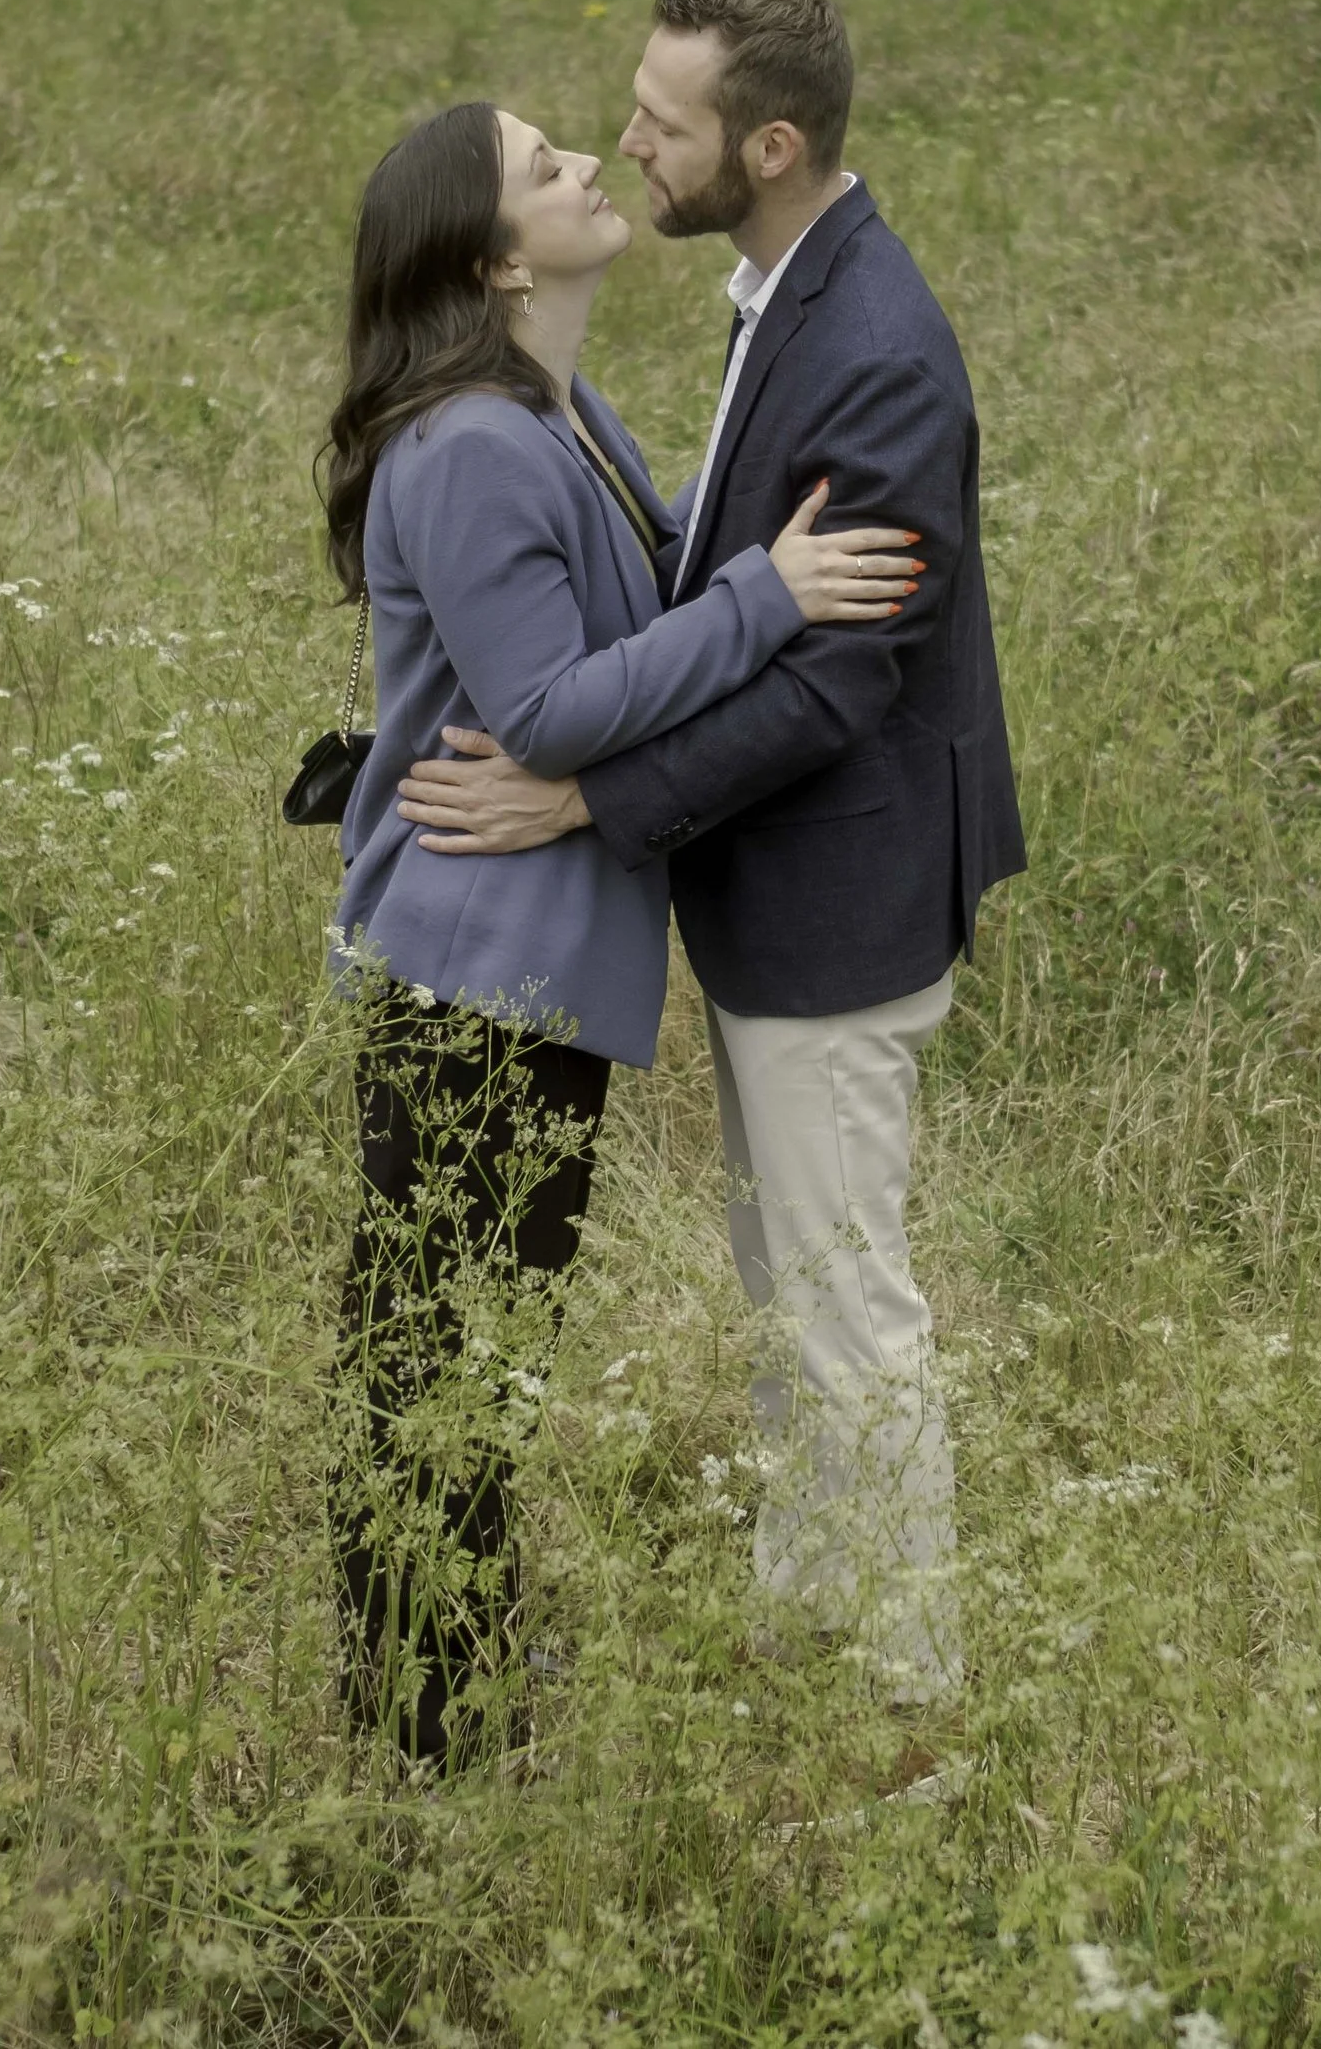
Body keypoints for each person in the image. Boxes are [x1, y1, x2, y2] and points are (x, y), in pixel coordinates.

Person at [394, 0, 1026, 1764]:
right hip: (779, 902)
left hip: (839, 897)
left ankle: (909, 1695)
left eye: (665, 120)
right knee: (790, 1293)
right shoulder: (781, 289)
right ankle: (807, 1614)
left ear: (767, 144)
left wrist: (587, 803)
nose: (630, 140)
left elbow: (842, 678)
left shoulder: (879, 346)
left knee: (844, 1309)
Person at [321, 98, 923, 1771]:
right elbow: (547, 706)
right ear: (497, 258)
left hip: (526, 967)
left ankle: (443, 1704)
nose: (589, 164)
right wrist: (772, 597)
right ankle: (421, 1744)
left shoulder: (559, 411)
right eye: (544, 168)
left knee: (475, 1357)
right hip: (471, 973)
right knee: (438, 1370)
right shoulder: (474, 446)